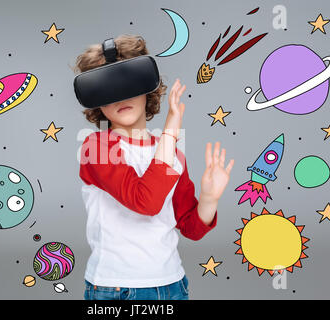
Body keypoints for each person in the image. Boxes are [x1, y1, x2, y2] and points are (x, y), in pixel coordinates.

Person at [73, 34, 234, 300]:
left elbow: (190, 228)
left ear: (147, 89)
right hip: (114, 287)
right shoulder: (96, 148)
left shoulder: (173, 155)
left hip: (171, 285)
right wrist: (172, 128)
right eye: (107, 90)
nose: (119, 97)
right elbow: (146, 201)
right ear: (97, 102)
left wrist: (208, 199)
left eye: (128, 85)